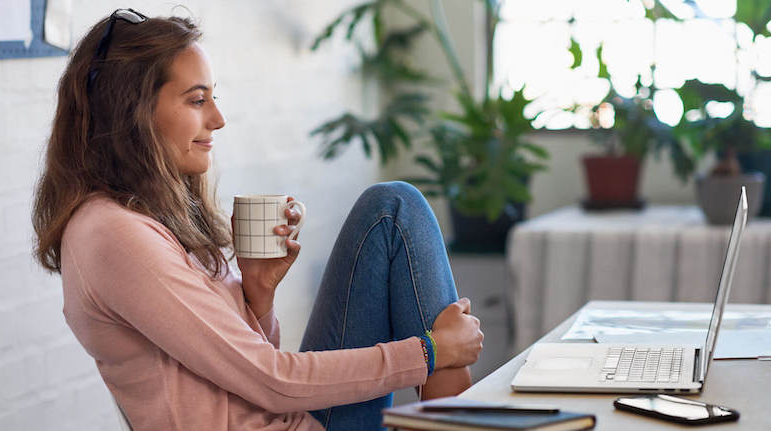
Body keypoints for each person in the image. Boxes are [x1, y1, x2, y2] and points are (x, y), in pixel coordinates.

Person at [31, 8, 483, 431]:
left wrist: (258, 297)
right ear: (133, 114)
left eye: (213, 98)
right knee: (393, 211)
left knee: (392, 208)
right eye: (196, 100)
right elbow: (272, 381)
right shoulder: (114, 234)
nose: (218, 118)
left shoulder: (144, 218)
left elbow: (245, 373)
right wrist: (431, 351)